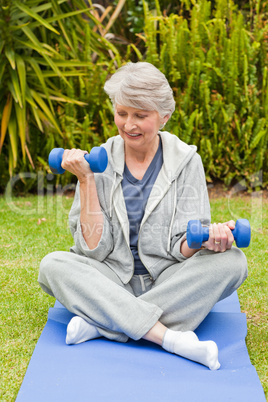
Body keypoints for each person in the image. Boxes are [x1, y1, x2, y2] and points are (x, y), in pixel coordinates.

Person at [39, 62, 248, 370]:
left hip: (168, 278)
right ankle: (171, 339)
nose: (129, 124)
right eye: (122, 113)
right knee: (53, 266)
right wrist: (86, 180)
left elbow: (181, 246)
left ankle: (103, 324)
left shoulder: (187, 162)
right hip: (111, 277)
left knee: (232, 262)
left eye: (140, 115)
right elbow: (92, 249)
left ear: (163, 116)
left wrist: (209, 242)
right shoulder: (99, 161)